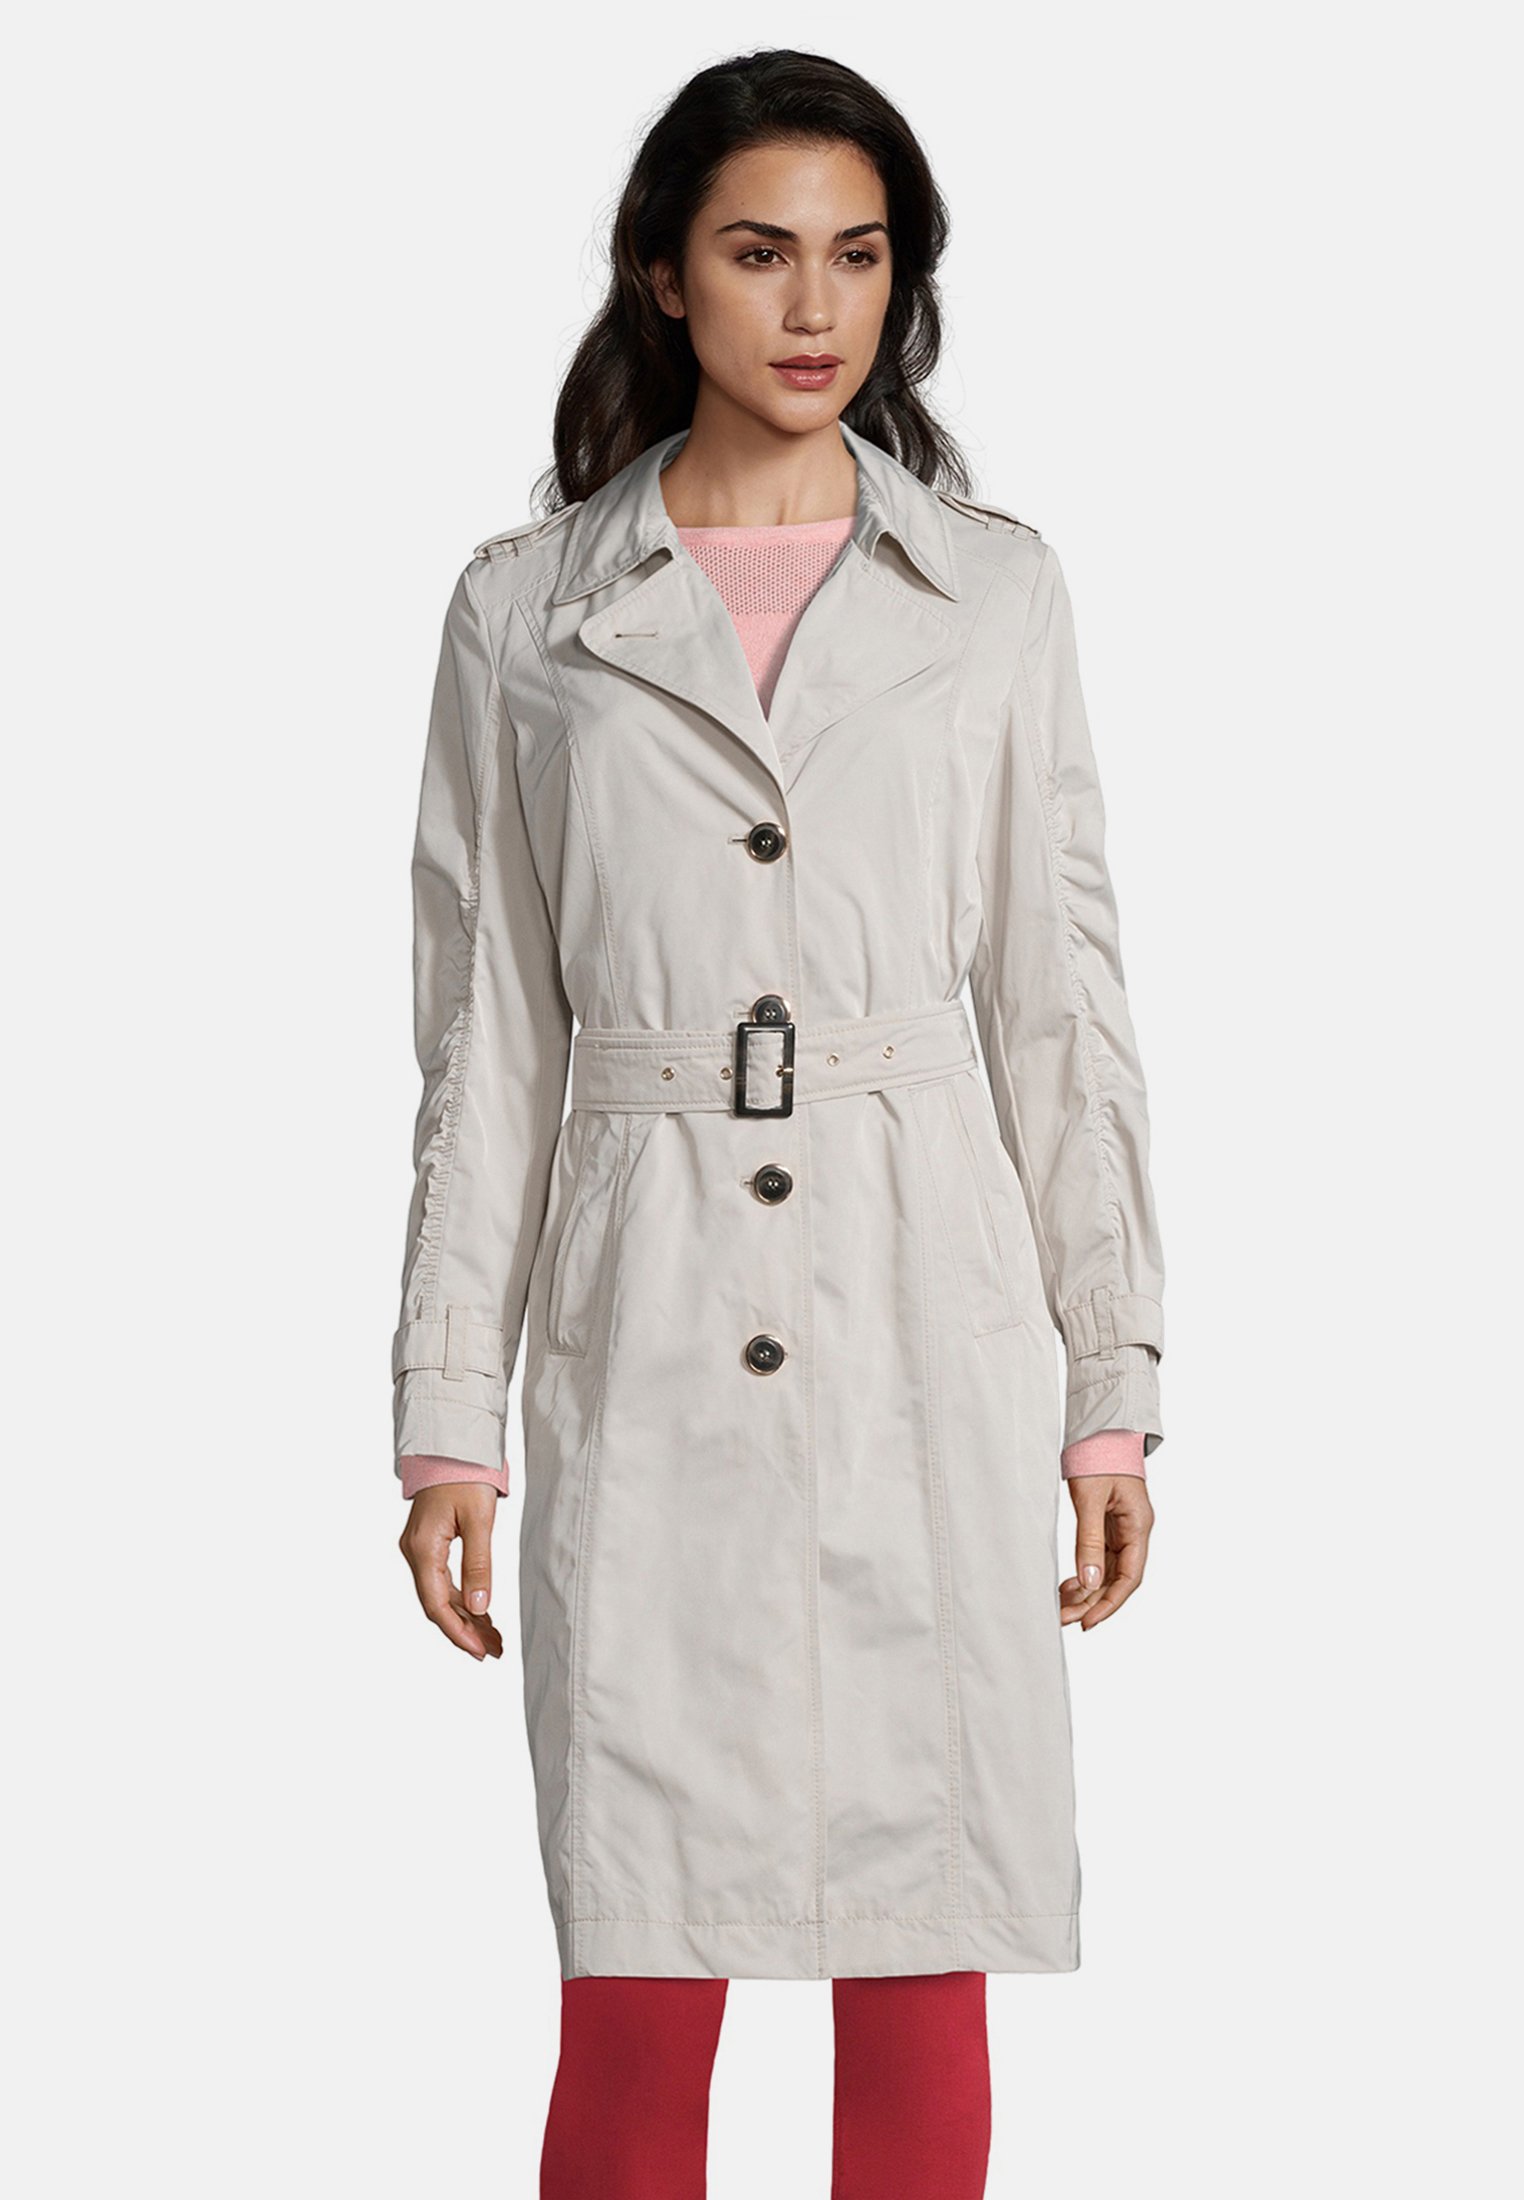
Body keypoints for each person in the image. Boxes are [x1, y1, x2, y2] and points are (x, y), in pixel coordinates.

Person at [392, 47, 1164, 2200]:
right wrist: (449, 1419)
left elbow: (1061, 1011)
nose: (815, 307)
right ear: (663, 275)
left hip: (923, 1309)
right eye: (758, 253)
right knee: (635, 1969)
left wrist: (1110, 1385)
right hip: (643, 1321)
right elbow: (486, 1041)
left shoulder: (993, 592)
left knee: (924, 1950)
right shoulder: (525, 610)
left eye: (859, 255)